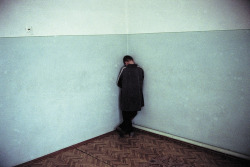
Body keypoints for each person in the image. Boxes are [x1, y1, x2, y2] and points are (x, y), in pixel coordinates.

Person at [116, 55, 144, 137]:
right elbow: (142, 81)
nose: (126, 63)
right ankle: (128, 129)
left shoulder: (124, 69)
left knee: (125, 112)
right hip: (137, 95)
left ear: (126, 62)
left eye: (126, 62)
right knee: (133, 112)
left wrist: (125, 88)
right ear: (133, 60)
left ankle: (124, 128)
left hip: (126, 95)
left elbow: (118, 82)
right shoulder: (140, 69)